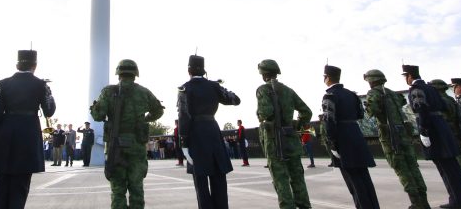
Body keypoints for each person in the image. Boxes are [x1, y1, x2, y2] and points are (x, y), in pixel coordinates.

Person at [0, 49, 56, 209]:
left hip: (5, 133)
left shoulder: (3, 84)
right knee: (20, 185)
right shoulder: (40, 85)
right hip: (28, 134)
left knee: (1, 184)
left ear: (17, 65)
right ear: (35, 66)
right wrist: (49, 93)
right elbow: (49, 111)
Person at [90, 59, 164, 209]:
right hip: (136, 145)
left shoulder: (108, 92)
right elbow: (158, 110)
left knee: (118, 190)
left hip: (115, 146)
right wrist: (146, 119)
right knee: (137, 188)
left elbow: (98, 116)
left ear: (118, 73)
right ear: (135, 73)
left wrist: (93, 108)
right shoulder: (144, 92)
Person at [402, 65, 461, 209]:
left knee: (446, 168)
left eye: (406, 77)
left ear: (409, 76)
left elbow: (421, 109)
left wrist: (423, 130)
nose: (406, 80)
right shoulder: (431, 88)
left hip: (433, 129)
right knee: (452, 167)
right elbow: (442, 105)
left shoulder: (416, 89)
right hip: (441, 126)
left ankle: (458, 202)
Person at [177, 54, 241, 209]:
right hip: (213, 131)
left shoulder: (184, 88)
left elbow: (184, 117)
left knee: (201, 181)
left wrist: (184, 143)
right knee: (219, 176)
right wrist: (219, 87)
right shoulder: (213, 86)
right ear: (204, 70)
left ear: (189, 70)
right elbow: (235, 100)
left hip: (196, 134)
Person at [364, 69, 429, 209]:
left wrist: (368, 105)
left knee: (401, 169)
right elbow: (401, 102)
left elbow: (371, 112)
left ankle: (416, 203)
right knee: (413, 167)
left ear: (371, 81)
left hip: (390, 136)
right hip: (403, 133)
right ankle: (424, 202)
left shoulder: (373, 93)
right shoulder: (392, 93)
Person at [256, 59, 312, 209]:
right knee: (297, 178)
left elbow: (266, 113)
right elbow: (306, 112)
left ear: (263, 74)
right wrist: (295, 124)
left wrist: (260, 115)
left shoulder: (263, 89)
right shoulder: (288, 90)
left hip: (274, 141)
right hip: (291, 140)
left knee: (281, 180)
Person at [323, 65, 379, 209]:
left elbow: (329, 121)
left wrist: (333, 144)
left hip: (343, 139)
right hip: (356, 135)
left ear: (328, 78)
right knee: (364, 178)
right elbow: (360, 115)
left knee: (354, 182)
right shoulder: (351, 94)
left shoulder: (329, 96)